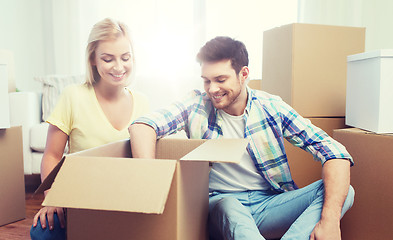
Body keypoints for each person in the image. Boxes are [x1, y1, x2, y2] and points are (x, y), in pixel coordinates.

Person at [128, 36, 354, 240]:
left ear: (244, 74)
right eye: (206, 80)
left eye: (220, 79)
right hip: (222, 203)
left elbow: (335, 152)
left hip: (269, 204)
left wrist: (330, 221)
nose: (212, 89)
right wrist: (149, 183)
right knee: (230, 207)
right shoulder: (196, 105)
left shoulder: (270, 106)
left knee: (343, 192)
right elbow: (142, 126)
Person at [30, 18, 149, 240]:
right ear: (93, 59)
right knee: (42, 233)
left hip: (124, 202)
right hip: (80, 200)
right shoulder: (72, 96)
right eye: (108, 59)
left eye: (125, 57)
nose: (119, 67)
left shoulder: (143, 103)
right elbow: (52, 155)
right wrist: (53, 198)